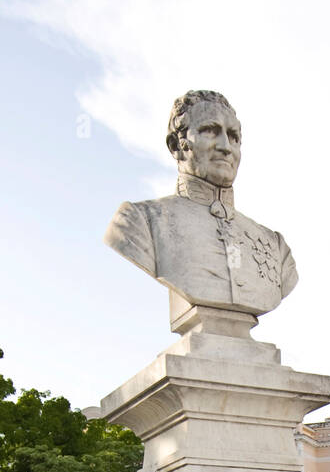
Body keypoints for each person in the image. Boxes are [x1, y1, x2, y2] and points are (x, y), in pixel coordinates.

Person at [105, 90, 298, 320]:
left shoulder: (276, 246)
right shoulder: (140, 221)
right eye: (210, 131)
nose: (226, 147)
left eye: (234, 136)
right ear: (177, 145)